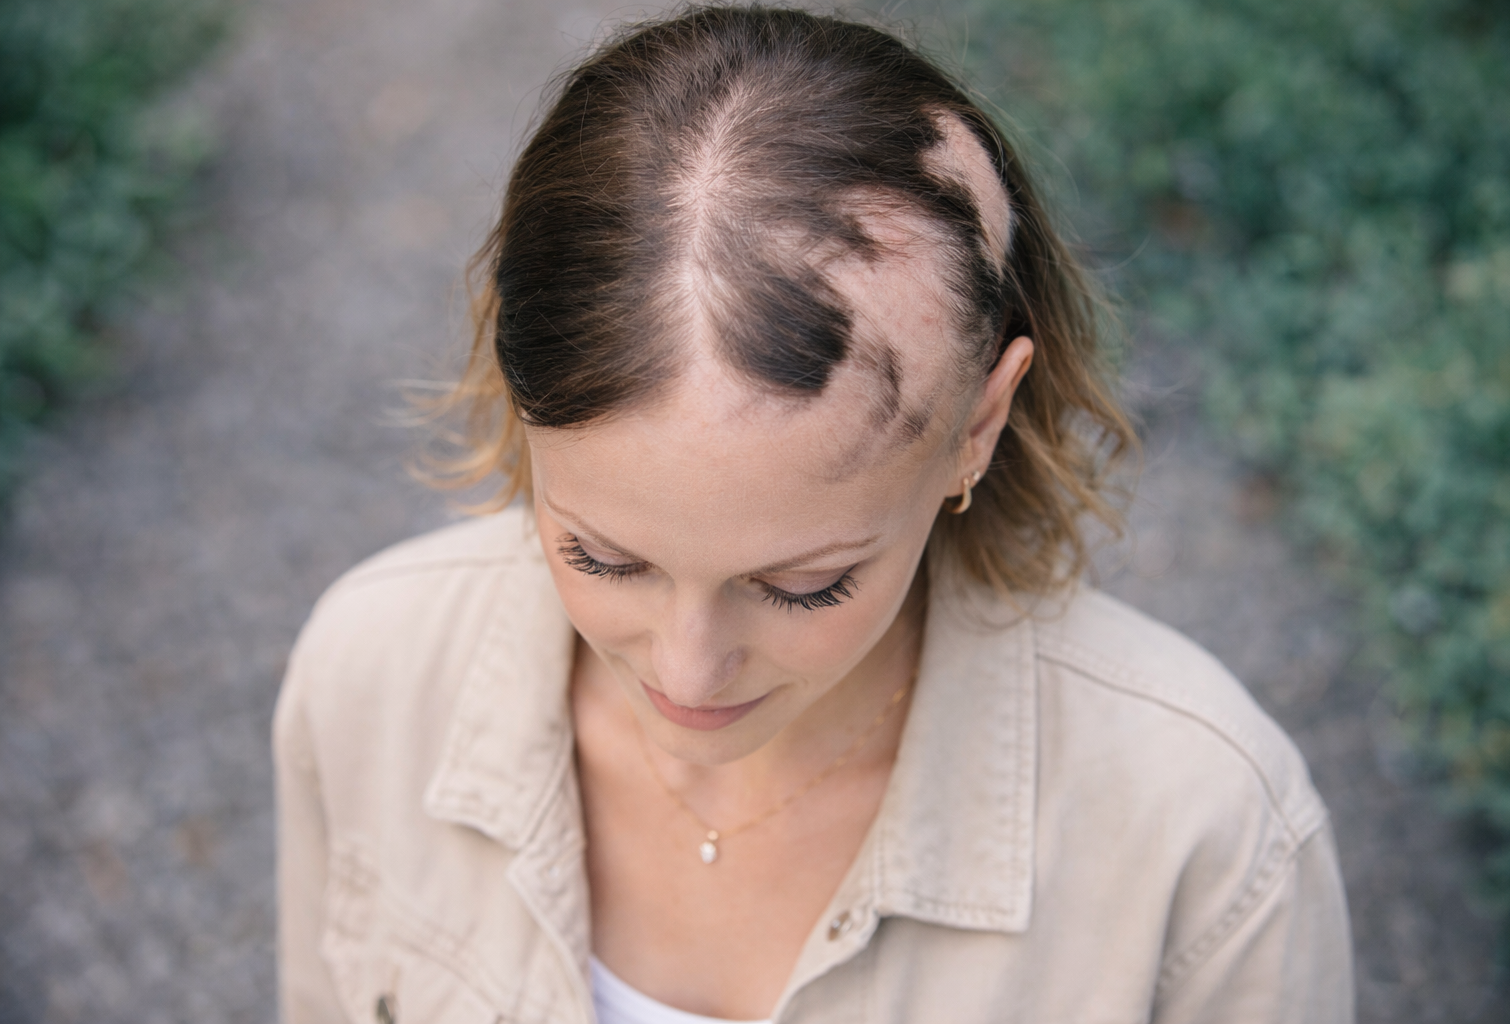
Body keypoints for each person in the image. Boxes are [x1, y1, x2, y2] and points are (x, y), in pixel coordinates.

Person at [273, 6, 1354, 1022]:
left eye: (804, 584)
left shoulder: (1203, 835)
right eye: (602, 558)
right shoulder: (370, 675)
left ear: (976, 426)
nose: (688, 675)